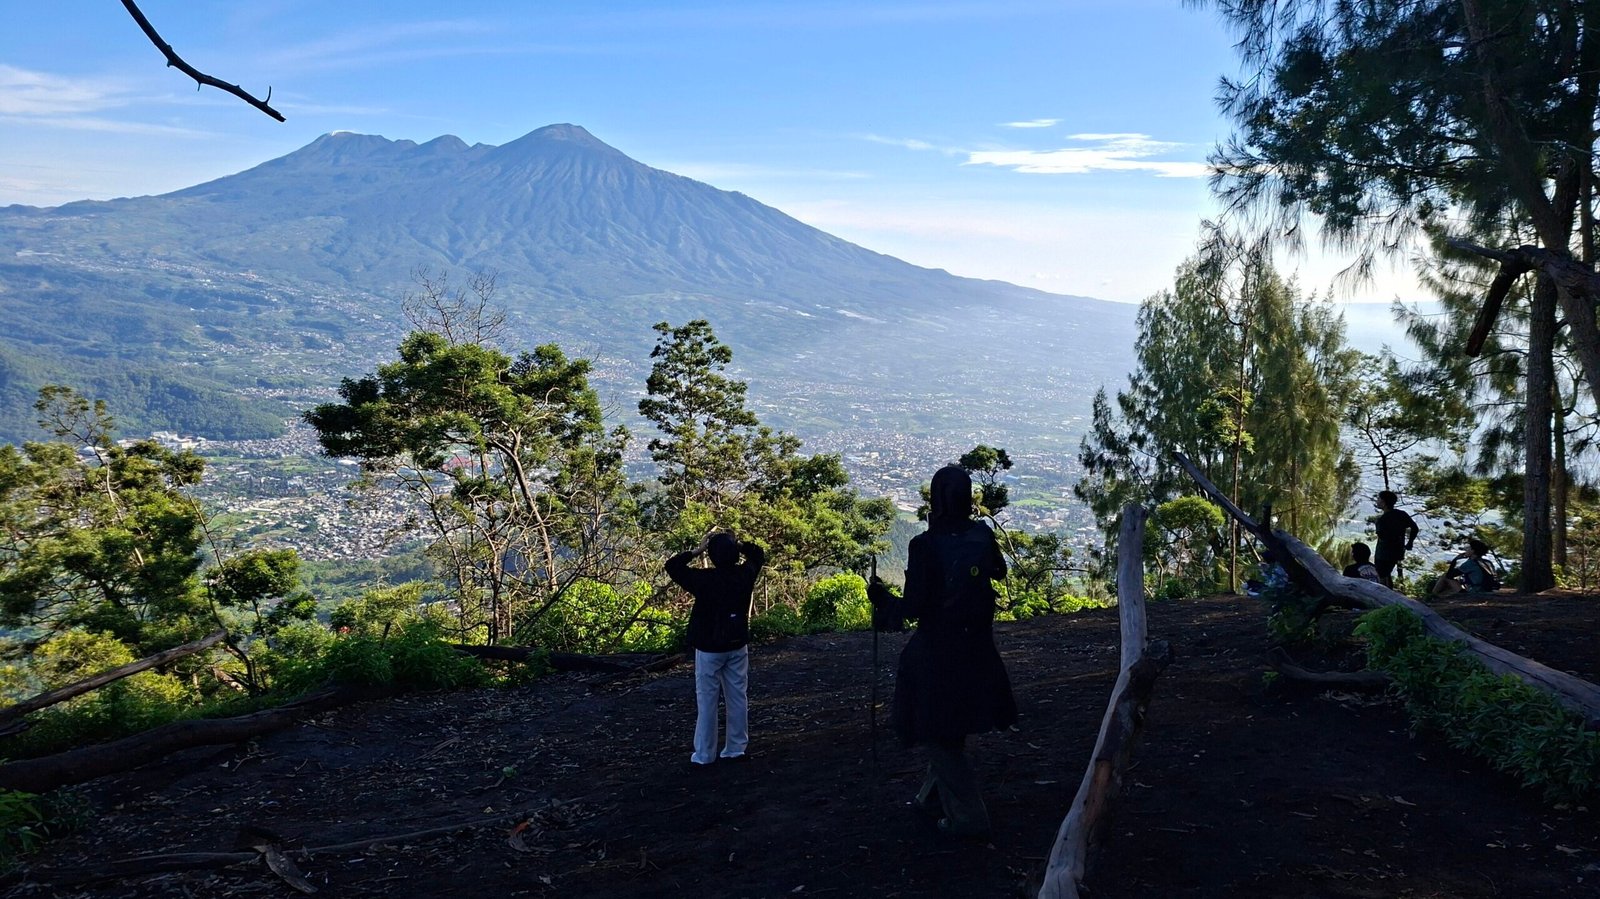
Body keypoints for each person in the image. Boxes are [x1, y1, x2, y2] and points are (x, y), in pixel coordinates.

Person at [868, 465, 1015, 838]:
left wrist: (882, 599)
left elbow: (914, 608)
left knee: (937, 732)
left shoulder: (925, 546)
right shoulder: (981, 535)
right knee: (951, 727)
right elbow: (997, 572)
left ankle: (969, 819)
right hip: (978, 650)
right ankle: (931, 800)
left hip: (937, 654)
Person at [666, 532, 765, 767]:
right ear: (734, 555)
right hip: (737, 643)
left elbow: (672, 566)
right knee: (738, 696)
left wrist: (696, 551)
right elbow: (758, 554)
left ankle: (704, 755)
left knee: (707, 701)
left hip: (709, 647)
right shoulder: (744, 576)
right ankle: (735, 748)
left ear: (711, 556)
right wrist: (739, 544)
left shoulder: (703, 580)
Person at [1372, 490, 1419, 589]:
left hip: (1383, 552)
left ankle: (1384, 597)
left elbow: (1382, 537)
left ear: (1384, 502)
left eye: (1379, 499)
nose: (1377, 501)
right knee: (1387, 574)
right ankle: (1389, 593)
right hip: (1398, 550)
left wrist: (1377, 525)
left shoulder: (1382, 520)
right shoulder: (1401, 514)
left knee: (1381, 576)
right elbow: (1414, 528)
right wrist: (1410, 543)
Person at [1432, 537, 1501, 597]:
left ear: (1473, 551)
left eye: (1468, 549)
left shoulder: (1470, 563)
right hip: (1488, 589)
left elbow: (1449, 575)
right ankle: (1437, 596)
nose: (1466, 550)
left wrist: (1455, 560)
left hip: (1476, 591)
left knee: (1444, 576)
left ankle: (1432, 595)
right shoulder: (1487, 562)